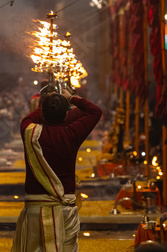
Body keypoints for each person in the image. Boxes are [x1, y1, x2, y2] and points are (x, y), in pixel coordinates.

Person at [11, 90, 102, 252]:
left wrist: (47, 100)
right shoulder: (72, 133)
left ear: (43, 112)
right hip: (65, 209)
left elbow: (29, 117)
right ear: (66, 115)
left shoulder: (29, 132)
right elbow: (95, 111)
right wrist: (71, 98)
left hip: (35, 210)